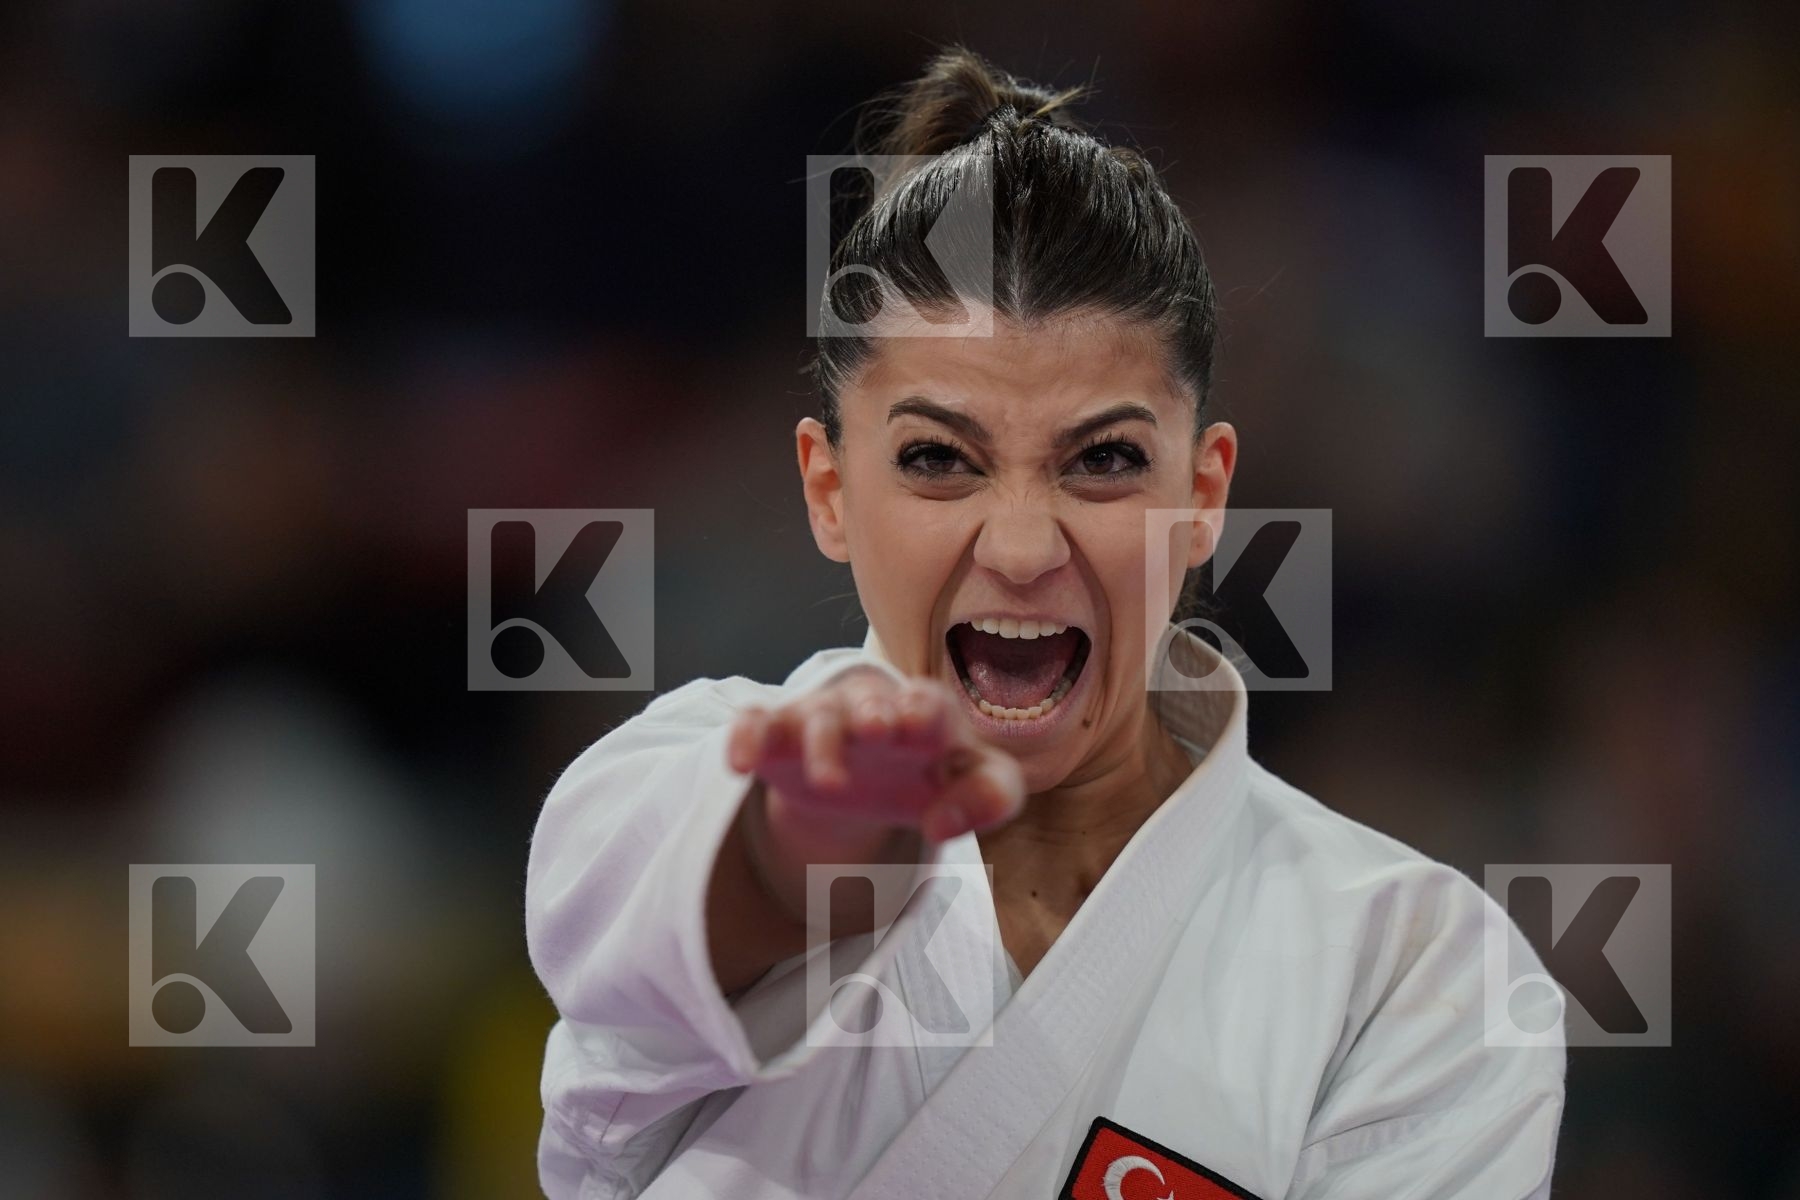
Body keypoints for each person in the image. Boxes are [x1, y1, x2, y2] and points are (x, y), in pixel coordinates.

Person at [525, 44, 1566, 1200]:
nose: (1022, 547)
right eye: (937, 460)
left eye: (1105, 460)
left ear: (1205, 493)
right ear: (828, 489)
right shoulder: (666, 783)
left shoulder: (1417, 971)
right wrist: (805, 846)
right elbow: (674, 909)